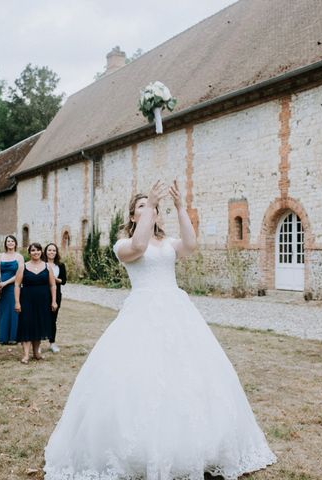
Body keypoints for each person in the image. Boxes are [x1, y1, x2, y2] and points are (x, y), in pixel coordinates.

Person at [44, 180, 276, 479]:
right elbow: (139, 246)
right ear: (132, 216)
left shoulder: (167, 244)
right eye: (141, 206)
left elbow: (191, 246)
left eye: (152, 206)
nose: (149, 209)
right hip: (142, 312)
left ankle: (196, 447)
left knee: (189, 377)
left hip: (178, 312)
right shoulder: (122, 246)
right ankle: (139, 450)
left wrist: (179, 207)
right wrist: (151, 204)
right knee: (141, 377)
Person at [14, 242, 57, 364]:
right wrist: (17, 302)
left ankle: (36, 353)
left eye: (38, 250)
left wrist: (53, 301)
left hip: (43, 300)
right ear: (29, 253)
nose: (35, 252)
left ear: (41, 252)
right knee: (27, 324)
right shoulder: (23, 266)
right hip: (27, 300)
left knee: (38, 324)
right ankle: (26, 355)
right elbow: (17, 285)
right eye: (33, 250)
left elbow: (53, 285)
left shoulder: (47, 266)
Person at [0, 235, 21, 344]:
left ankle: (13, 337)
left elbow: (19, 274)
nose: (10, 243)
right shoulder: (0, 256)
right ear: (5, 243)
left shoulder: (19, 257)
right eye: (8, 241)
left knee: (14, 311)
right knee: (4, 311)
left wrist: (5, 283)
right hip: (1, 287)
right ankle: (3, 337)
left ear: (15, 243)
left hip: (14, 286)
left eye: (12, 241)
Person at [44, 243, 66, 353]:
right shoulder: (42, 264)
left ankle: (52, 343)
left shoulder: (60, 265)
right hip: (43, 294)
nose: (51, 252)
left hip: (56, 295)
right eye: (49, 250)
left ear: (56, 252)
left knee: (53, 319)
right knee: (41, 318)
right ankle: (38, 343)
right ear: (45, 252)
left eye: (54, 250)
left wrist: (53, 278)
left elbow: (64, 281)